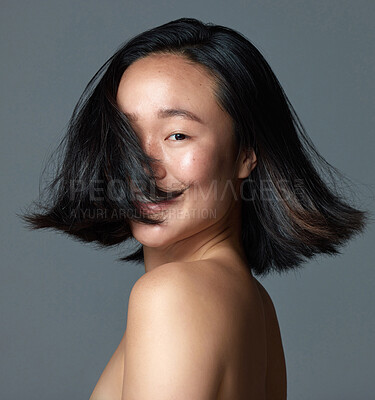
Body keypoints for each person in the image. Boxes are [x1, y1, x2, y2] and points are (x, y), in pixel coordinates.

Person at [19, 17, 369, 400]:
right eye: (126, 135)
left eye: (177, 135)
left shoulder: (173, 296)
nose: (143, 165)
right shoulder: (254, 306)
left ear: (246, 153)